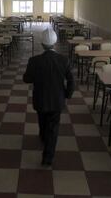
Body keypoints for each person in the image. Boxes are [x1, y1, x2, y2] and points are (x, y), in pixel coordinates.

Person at [23, 28, 75, 166]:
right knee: (53, 127)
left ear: (42, 44)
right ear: (55, 43)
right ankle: (48, 157)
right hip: (57, 99)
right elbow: (71, 80)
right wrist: (67, 94)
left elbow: (26, 79)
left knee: (42, 118)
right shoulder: (64, 60)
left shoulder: (34, 61)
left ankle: (42, 136)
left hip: (40, 98)